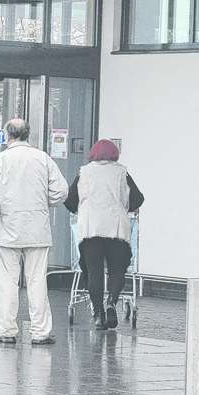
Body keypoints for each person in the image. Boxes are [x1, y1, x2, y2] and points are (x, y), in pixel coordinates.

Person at [0, 118, 67, 345]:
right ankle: (41, 332)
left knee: (6, 281)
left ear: (7, 136)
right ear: (28, 134)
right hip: (37, 229)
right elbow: (61, 191)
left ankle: (6, 330)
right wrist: (45, 203)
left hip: (4, 230)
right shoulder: (43, 159)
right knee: (36, 281)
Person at [65, 139, 144, 330]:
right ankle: (111, 302)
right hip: (116, 229)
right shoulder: (122, 172)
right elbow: (138, 199)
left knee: (94, 272)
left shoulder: (84, 172)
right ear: (114, 155)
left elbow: (69, 201)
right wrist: (125, 207)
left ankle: (98, 314)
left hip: (91, 229)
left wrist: (82, 208)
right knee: (117, 269)